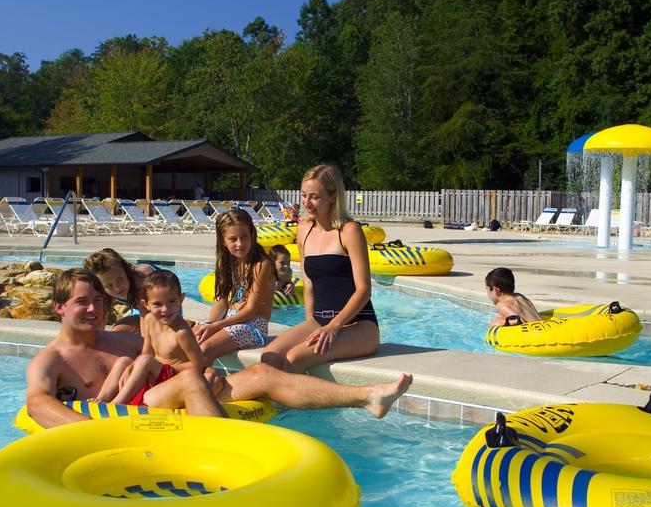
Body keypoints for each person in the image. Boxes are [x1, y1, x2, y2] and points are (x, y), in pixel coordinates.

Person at [26, 269, 412, 428]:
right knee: (194, 378)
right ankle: (227, 462)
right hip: (134, 416)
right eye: (82, 302)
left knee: (261, 374)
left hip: (175, 388)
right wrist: (93, 431)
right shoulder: (53, 359)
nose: (94, 309)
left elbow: (166, 351)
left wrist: (201, 363)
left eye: (97, 300)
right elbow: (37, 403)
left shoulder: (122, 335)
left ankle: (366, 397)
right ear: (59, 308)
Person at [261, 164, 379, 372]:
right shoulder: (303, 229)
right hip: (319, 320)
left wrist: (334, 326)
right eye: (304, 195)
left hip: (358, 325)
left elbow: (364, 289)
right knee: (269, 356)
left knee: (294, 358)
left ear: (333, 196)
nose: (307, 203)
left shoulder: (349, 231)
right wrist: (310, 324)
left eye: (315, 197)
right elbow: (308, 285)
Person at [98, 270, 207, 406]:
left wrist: (164, 367)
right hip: (154, 374)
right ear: (146, 304)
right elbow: (147, 351)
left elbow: (198, 364)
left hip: (173, 379)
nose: (165, 309)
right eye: (157, 304)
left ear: (181, 299)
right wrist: (132, 366)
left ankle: (117, 403)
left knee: (145, 361)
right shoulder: (149, 319)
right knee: (124, 361)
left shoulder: (181, 331)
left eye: (172, 301)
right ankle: (101, 399)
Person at [194, 209, 276, 363]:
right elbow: (221, 303)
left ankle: (200, 384)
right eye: (233, 239)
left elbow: (251, 311)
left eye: (244, 236)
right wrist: (209, 324)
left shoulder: (261, 264)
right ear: (223, 241)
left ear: (252, 234)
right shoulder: (228, 262)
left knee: (204, 349)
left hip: (253, 326)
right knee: (190, 341)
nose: (240, 244)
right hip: (230, 319)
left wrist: (217, 326)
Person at [83, 248, 157, 332]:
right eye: (109, 285)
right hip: (139, 309)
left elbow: (152, 315)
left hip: (167, 308)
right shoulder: (103, 292)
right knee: (117, 329)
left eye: (120, 279)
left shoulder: (143, 279)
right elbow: (100, 322)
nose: (118, 288)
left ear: (126, 270)